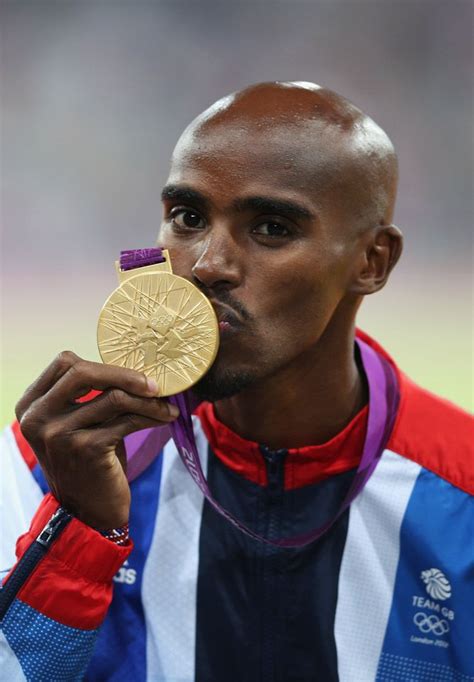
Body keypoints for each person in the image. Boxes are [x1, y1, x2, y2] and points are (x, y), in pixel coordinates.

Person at [0, 81, 472, 682]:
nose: (208, 264)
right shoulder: (49, 460)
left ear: (372, 261)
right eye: (188, 217)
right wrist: (78, 533)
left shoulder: (462, 491)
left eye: (272, 228)